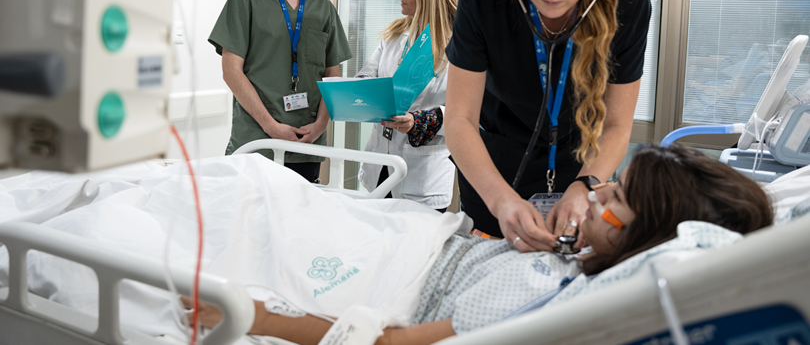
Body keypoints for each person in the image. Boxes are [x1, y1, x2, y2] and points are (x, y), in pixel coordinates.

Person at [191, 145, 772, 344]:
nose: (596, 194)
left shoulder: (539, 298)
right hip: (421, 239)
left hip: (399, 272)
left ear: (644, 238)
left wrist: (254, 317)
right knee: (257, 183)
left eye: (614, 198)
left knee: (248, 198)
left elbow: (389, 343)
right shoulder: (575, 260)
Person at [443, 0, 653, 246]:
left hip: (583, 165)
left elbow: (617, 125)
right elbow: (460, 119)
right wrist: (501, 199)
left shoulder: (629, 3)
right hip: (493, 169)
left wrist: (586, 187)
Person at [208, 0, 352, 183]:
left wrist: (320, 125)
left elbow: (333, 75)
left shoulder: (323, 9)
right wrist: (271, 126)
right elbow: (231, 71)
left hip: (307, 144)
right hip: (256, 141)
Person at [355, 0, 461, 211]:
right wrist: (361, 89)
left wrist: (419, 122)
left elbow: (470, 114)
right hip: (380, 166)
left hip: (422, 177)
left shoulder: (461, 47)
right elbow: (368, 74)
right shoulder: (395, 34)